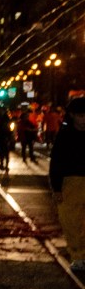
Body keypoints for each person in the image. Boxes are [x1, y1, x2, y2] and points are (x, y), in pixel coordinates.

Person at [49, 97, 85, 275]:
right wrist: (56, 188)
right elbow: (56, 162)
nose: (84, 119)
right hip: (70, 183)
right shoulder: (64, 136)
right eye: (80, 115)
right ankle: (78, 256)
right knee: (71, 221)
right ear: (72, 116)